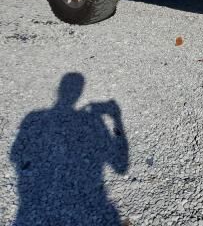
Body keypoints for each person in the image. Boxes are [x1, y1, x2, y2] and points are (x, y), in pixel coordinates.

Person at [9, 73, 128, 225]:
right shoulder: (93, 120)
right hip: (92, 206)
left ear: (58, 90)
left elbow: (15, 155)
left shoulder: (33, 117)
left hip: (33, 206)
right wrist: (116, 118)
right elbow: (121, 167)